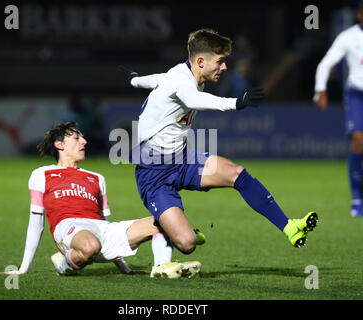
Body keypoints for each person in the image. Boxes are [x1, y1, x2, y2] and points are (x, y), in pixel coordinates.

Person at [120, 28, 318, 255]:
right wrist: (235, 103)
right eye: (220, 62)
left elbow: (156, 79)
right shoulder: (183, 83)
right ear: (201, 61)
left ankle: (289, 227)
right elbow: (192, 98)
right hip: (153, 172)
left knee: (236, 173)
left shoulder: (178, 74)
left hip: (182, 158)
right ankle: (170, 228)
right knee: (187, 243)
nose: (224, 67)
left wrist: (135, 79)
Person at [0, 122, 201, 279]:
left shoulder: (96, 178)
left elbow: (105, 225)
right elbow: (36, 223)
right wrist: (23, 269)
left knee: (162, 222)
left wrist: (125, 269)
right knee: (90, 246)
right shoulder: (42, 174)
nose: (84, 142)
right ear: (59, 145)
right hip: (69, 228)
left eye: (83, 138)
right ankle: (64, 264)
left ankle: (160, 268)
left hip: (101, 230)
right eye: (77, 138)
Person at [314, 1, 363, 217]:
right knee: (359, 140)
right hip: (356, 94)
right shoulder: (348, 36)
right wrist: (320, 90)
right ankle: (357, 200)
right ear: (360, 15)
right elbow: (325, 63)